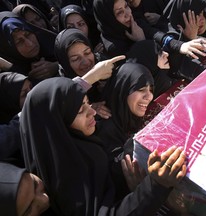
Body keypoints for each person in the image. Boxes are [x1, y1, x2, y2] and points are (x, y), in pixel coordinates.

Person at [20, 73, 187, 215]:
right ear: (57, 125)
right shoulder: (64, 178)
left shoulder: (82, 143)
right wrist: (155, 185)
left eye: (87, 103)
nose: (92, 111)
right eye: (79, 111)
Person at [54, 28, 117, 118]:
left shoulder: (103, 63)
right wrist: (88, 108)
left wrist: (111, 87)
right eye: (75, 59)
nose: (85, 62)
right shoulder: (62, 85)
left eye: (87, 53)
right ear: (65, 63)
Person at [0, 12, 58, 81]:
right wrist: (28, 79)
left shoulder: (56, 44)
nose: (30, 43)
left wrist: (57, 66)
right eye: (19, 42)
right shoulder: (7, 79)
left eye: (28, 34)